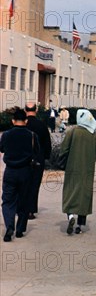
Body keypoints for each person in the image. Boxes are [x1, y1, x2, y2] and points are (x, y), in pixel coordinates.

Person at [0, 108, 38, 242]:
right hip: (25, 171)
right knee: (24, 201)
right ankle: (20, 229)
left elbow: (2, 149)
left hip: (10, 171)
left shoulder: (6, 135)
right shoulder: (32, 136)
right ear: (26, 121)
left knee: (8, 201)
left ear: (13, 120)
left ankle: (9, 226)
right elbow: (37, 153)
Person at [60, 109, 96, 235]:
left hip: (72, 166)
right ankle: (80, 225)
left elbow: (64, 150)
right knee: (84, 193)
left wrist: (62, 163)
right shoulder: (94, 134)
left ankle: (71, 216)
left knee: (70, 192)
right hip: (88, 168)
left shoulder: (72, 132)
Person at [25, 102, 52, 219]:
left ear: (25, 110)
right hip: (38, 158)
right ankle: (31, 210)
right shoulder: (41, 125)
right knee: (34, 184)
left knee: (23, 184)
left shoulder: (22, 124)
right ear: (36, 110)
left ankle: (21, 208)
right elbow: (47, 143)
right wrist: (46, 157)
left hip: (23, 158)